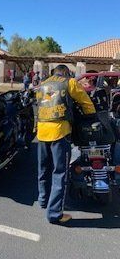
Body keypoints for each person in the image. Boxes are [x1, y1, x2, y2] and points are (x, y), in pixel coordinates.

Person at [36, 64, 96, 224]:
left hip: (41, 131)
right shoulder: (69, 82)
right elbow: (87, 103)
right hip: (59, 132)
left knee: (43, 168)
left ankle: (43, 201)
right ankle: (55, 214)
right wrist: (91, 116)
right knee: (59, 173)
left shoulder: (42, 84)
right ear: (66, 73)